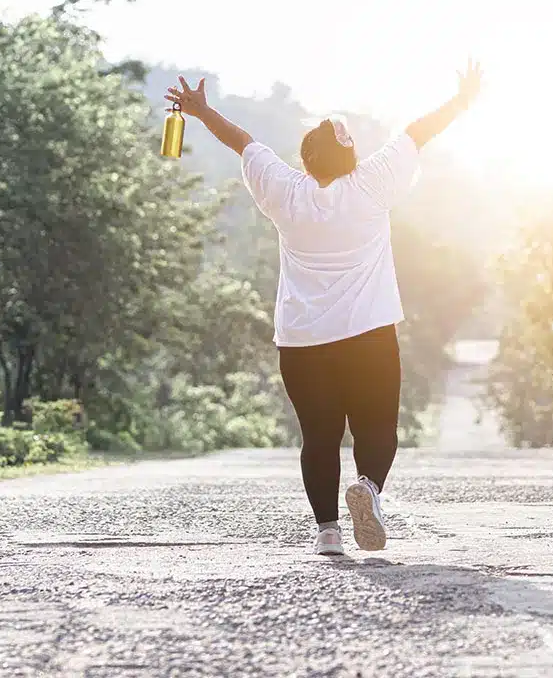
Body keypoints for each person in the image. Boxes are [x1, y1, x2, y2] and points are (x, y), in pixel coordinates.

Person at [164, 60, 482, 555]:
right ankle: (369, 488)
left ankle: (327, 532)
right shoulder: (372, 185)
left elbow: (243, 141)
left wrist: (201, 111)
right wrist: (461, 101)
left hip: (303, 341)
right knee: (376, 428)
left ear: (307, 160)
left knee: (319, 436)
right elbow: (417, 133)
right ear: (350, 157)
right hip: (369, 335)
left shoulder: (286, 192)